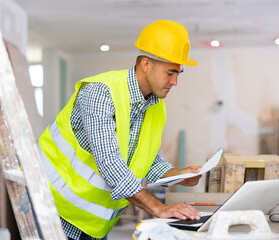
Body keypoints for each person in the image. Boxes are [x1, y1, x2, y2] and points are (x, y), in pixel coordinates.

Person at [37, 20, 202, 240]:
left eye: (178, 74)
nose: (175, 81)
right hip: (54, 207)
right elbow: (109, 161)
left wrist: (176, 175)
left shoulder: (155, 105)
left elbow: (144, 159)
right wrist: (158, 208)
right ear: (146, 64)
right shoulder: (100, 93)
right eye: (170, 72)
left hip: (91, 219)